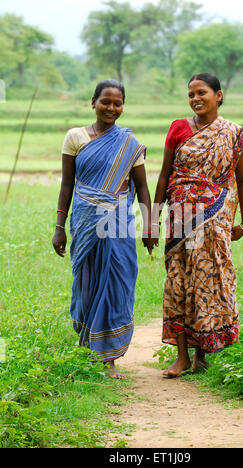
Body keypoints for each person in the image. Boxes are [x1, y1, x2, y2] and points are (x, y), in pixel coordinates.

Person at [150, 73, 243, 378]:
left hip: (216, 221)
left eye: (202, 93)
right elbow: (163, 175)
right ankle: (181, 357)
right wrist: (152, 219)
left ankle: (202, 354)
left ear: (218, 95)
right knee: (177, 283)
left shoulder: (235, 135)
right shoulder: (179, 128)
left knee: (208, 283)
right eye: (191, 95)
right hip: (180, 218)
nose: (196, 99)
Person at [52, 79, 153, 379]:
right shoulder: (75, 137)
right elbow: (67, 184)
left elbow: (144, 187)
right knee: (85, 284)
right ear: (93, 102)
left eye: (117, 103)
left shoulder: (130, 144)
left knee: (116, 283)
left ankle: (107, 358)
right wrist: (59, 227)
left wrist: (151, 225)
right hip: (84, 221)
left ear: (123, 106)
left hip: (118, 223)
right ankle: (86, 350)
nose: (111, 108)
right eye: (106, 101)